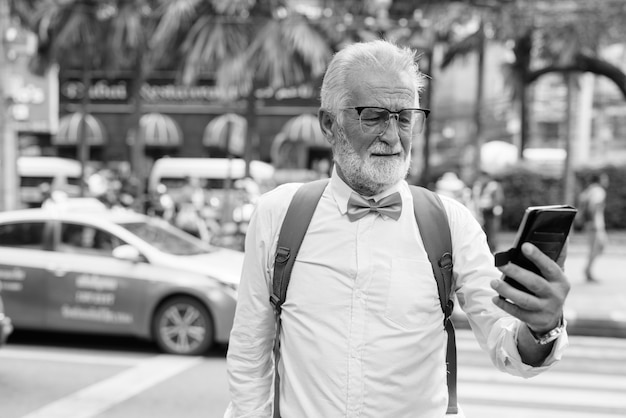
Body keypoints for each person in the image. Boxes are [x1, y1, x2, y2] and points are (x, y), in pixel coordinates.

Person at [225, 40, 569, 418]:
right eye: (373, 116)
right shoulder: (279, 215)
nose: (392, 136)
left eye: (404, 117)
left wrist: (542, 326)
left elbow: (508, 345)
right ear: (329, 124)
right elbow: (249, 354)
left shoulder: (450, 223)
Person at [580, 172, 609, 282]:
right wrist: (593, 223)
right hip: (596, 225)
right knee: (598, 247)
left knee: (596, 247)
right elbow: (593, 207)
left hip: (590, 224)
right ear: (599, 180)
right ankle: (588, 270)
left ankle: (588, 269)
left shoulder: (589, 190)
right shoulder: (599, 191)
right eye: (605, 179)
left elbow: (583, 203)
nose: (606, 181)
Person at [473, 170, 504, 252]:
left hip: (492, 210)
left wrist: (497, 206)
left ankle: (492, 248)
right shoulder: (481, 186)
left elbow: (498, 198)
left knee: (492, 230)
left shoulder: (494, 185)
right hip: (483, 210)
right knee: (485, 230)